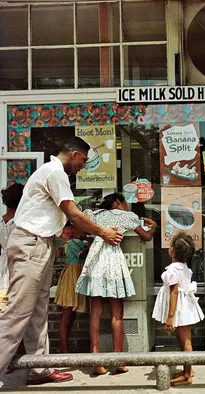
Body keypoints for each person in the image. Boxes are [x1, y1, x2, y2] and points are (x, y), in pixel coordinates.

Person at [0, 136, 123, 384]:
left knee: (37, 312)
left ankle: (39, 369)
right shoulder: (55, 174)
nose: (83, 166)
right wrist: (103, 232)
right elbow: (73, 213)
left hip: (38, 244)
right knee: (17, 312)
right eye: (84, 161)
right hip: (31, 245)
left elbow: (58, 217)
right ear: (75, 154)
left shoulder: (50, 172)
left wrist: (66, 232)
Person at [75, 193, 157, 375]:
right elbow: (146, 237)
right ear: (118, 202)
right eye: (125, 202)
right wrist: (154, 227)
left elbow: (81, 226)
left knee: (96, 311)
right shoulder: (127, 216)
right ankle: (118, 361)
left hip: (95, 261)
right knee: (117, 313)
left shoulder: (95, 215)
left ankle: (96, 359)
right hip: (112, 261)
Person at [152, 232, 205, 386]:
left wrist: (170, 316)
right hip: (184, 307)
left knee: (186, 342)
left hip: (179, 310)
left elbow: (174, 292)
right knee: (183, 341)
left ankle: (188, 374)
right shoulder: (184, 267)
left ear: (172, 250)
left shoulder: (172, 270)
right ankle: (187, 369)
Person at [0, 183, 25, 374]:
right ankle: (16, 358)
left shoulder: (1, 222)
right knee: (19, 316)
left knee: (6, 314)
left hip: (3, 271)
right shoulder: (22, 222)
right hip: (18, 269)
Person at [55, 222, 89, 353]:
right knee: (67, 315)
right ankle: (63, 347)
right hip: (72, 278)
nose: (72, 234)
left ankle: (61, 346)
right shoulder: (72, 243)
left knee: (71, 316)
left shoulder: (77, 242)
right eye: (69, 233)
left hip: (77, 276)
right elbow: (82, 255)